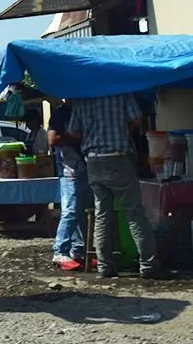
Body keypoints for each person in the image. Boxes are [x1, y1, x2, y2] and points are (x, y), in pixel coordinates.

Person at [67, 93, 168, 280]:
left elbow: (73, 131)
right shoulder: (121, 91)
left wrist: (92, 135)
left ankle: (105, 266)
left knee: (102, 214)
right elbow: (137, 118)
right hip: (119, 157)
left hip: (94, 161)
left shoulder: (82, 97)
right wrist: (121, 131)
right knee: (134, 212)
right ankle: (148, 265)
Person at [48, 100, 90, 271]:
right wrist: (73, 137)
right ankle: (60, 250)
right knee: (71, 210)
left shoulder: (82, 109)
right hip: (68, 168)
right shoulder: (61, 113)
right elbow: (52, 139)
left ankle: (77, 250)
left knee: (80, 209)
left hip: (82, 165)